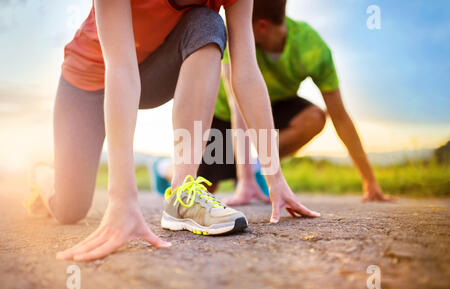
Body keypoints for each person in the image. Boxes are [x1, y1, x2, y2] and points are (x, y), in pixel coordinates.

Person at [28, 0, 320, 262]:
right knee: (70, 209)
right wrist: (122, 199)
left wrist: (274, 175)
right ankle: (42, 173)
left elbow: (245, 73)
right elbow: (120, 67)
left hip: (155, 71)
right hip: (89, 78)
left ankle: (183, 194)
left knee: (208, 23)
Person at [193, 0, 395, 204]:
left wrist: (370, 181)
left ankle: (256, 165)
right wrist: (245, 182)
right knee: (203, 187)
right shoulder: (234, 40)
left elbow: (340, 117)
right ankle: (166, 167)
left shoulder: (311, 48)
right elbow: (239, 108)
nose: (236, 25)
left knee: (314, 118)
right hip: (224, 114)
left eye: (243, 20)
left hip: (274, 107)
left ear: (261, 26)